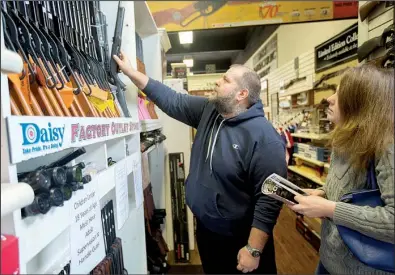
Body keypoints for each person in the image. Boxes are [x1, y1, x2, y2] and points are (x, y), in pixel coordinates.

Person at [114, 51, 287, 274]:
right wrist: (131, 73)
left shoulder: (265, 139)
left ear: (241, 94)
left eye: (225, 80)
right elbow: (172, 100)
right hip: (207, 231)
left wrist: (253, 249)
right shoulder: (210, 111)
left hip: (239, 240)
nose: (217, 80)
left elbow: (270, 200)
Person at [288, 65, 394, 274]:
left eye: (341, 92)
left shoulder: (387, 147)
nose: (330, 98)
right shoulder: (345, 140)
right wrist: (323, 194)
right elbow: (351, 192)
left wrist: (328, 208)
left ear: (360, 102)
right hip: (330, 260)